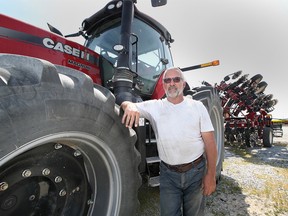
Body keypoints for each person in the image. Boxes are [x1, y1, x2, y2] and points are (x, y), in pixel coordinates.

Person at [121, 67, 217, 216]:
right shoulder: (155, 106)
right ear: (164, 84)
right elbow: (126, 103)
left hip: (195, 172)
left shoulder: (197, 107)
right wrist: (130, 105)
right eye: (167, 80)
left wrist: (210, 175)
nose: (172, 83)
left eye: (176, 79)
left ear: (183, 84)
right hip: (168, 175)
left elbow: (210, 144)